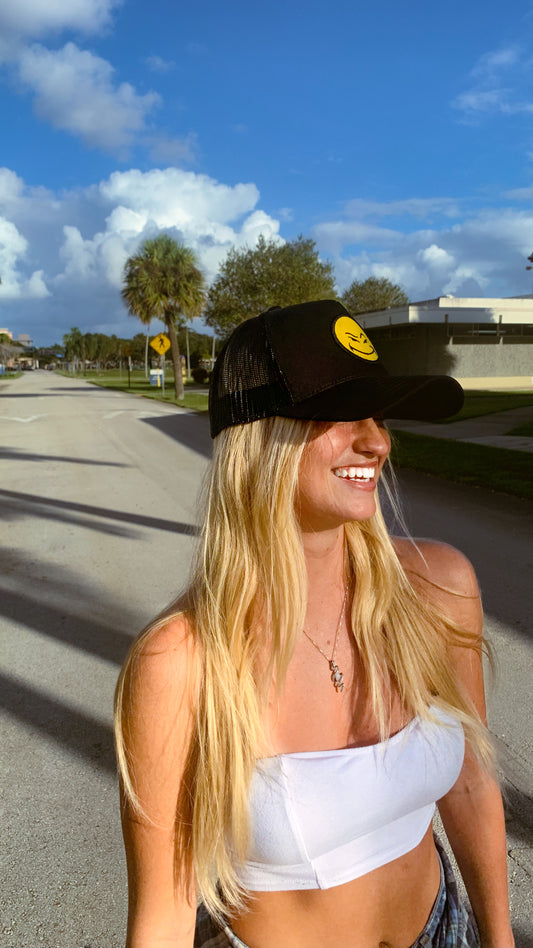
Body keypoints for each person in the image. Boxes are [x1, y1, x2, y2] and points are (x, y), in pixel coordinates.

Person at [114, 299, 514, 948]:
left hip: (445, 929)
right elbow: (163, 916)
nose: (376, 440)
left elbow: (468, 784)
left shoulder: (438, 588)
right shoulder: (182, 661)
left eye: (378, 415)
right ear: (259, 438)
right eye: (340, 413)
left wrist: (497, 938)